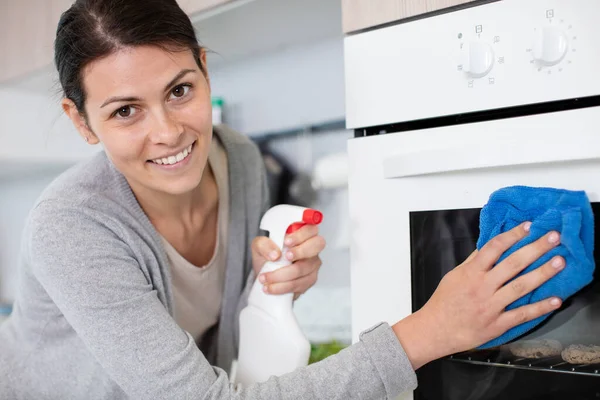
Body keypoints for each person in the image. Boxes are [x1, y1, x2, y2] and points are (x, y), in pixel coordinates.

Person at [0, 1, 566, 398]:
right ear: (81, 121)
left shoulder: (239, 159)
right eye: (126, 111)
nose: (169, 132)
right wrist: (427, 332)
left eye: (180, 90)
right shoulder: (71, 226)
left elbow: (225, 354)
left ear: (202, 66)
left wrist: (262, 284)